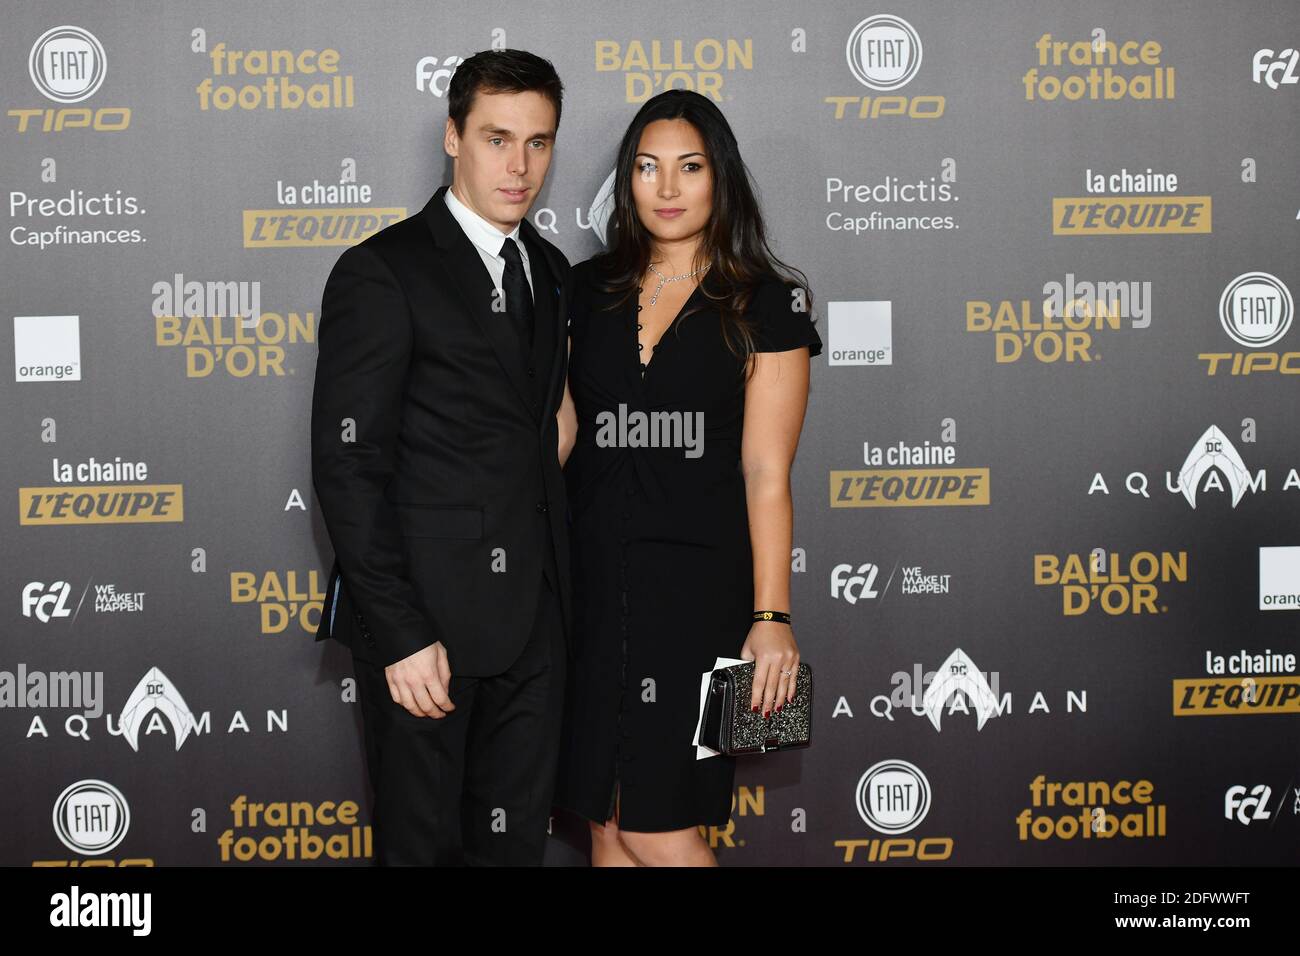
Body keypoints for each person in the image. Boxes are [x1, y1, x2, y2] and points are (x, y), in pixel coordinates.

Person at [310, 49, 573, 865]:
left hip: (536, 629)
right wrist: (399, 633)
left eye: (539, 142)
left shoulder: (553, 271)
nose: (520, 165)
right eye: (498, 138)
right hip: (429, 636)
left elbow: (541, 433)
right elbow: (347, 467)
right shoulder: (382, 272)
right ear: (453, 136)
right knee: (421, 852)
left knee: (512, 850)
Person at [554, 89, 822, 866]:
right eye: (646, 167)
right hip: (591, 592)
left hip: (698, 599)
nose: (666, 189)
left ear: (721, 178)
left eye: (689, 167)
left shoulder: (765, 303)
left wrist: (772, 616)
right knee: (604, 824)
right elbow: (564, 431)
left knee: (653, 823)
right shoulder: (584, 290)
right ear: (626, 180)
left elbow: (768, 471)